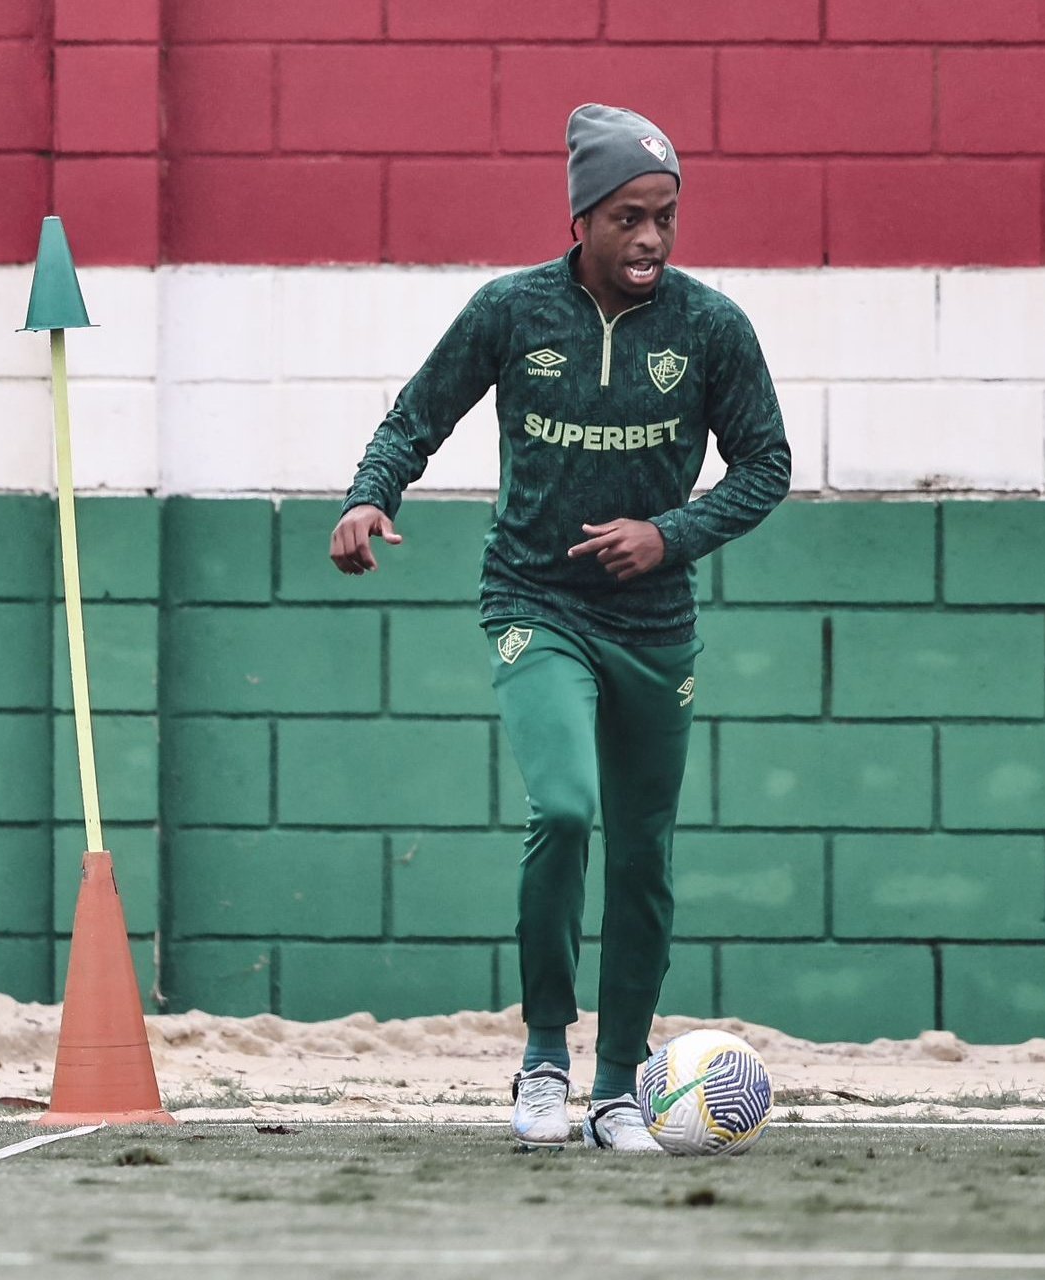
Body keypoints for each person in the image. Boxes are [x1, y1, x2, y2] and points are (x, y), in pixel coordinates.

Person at [330, 103, 791, 1151]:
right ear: (582, 214)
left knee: (642, 854)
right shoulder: (509, 312)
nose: (650, 241)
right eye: (628, 216)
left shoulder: (709, 328)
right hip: (534, 603)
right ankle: (544, 1054)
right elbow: (415, 417)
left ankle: (618, 1085)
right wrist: (369, 496)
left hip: (654, 621)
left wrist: (669, 535)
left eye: (665, 217)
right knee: (567, 809)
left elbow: (765, 464)